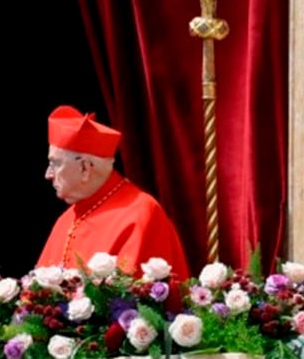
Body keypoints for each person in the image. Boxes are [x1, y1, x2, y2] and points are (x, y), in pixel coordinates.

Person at [37, 106, 190, 283]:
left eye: (55, 164)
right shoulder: (66, 220)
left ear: (85, 167)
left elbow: (132, 303)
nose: (48, 174)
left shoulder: (140, 214)